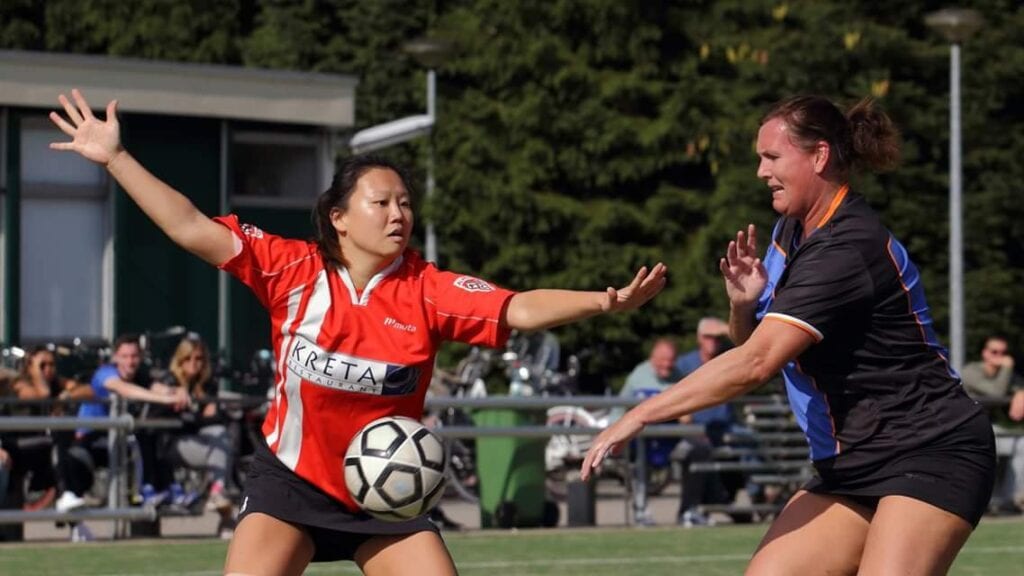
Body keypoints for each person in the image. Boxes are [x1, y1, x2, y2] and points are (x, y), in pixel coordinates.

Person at [49, 89, 666, 575]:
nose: (399, 214)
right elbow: (188, 227)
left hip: (387, 496)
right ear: (338, 218)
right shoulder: (291, 269)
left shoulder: (427, 288)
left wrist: (604, 302)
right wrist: (118, 159)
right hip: (289, 483)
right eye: (382, 203)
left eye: (405, 203)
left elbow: (519, 308)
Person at [583, 95, 995, 575]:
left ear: (819, 156)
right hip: (850, 464)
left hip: (930, 450)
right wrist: (742, 306)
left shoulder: (847, 247)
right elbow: (752, 345)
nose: (761, 171)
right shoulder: (790, 233)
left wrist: (640, 414)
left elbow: (756, 365)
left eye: (772, 157)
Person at [54, 334, 189, 514]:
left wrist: (178, 391)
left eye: (134, 356)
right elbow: (126, 390)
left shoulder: (140, 375)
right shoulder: (106, 373)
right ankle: (145, 492)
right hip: (89, 439)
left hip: (116, 440)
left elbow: (158, 387)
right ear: (116, 357)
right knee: (136, 441)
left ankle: (159, 490)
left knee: (149, 435)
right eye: (125, 356)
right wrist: (165, 399)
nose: (130, 362)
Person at [154, 334, 237, 537]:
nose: (194, 364)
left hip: (196, 440)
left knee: (220, 437)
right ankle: (221, 501)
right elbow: (157, 399)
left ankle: (218, 495)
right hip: (168, 443)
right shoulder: (169, 380)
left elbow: (208, 420)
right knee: (220, 447)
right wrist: (171, 395)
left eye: (199, 359)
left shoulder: (205, 385)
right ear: (179, 360)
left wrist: (208, 412)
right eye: (188, 359)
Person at [960, 336, 1024, 513]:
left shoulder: (1006, 374)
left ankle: (1010, 500)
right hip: (967, 429)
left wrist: (1020, 392)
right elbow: (996, 392)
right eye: (995, 352)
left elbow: (1018, 386)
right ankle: (984, 501)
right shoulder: (971, 371)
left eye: (1003, 353)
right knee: (990, 448)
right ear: (985, 353)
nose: (1000, 357)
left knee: (1021, 445)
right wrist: (1008, 368)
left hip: (991, 427)